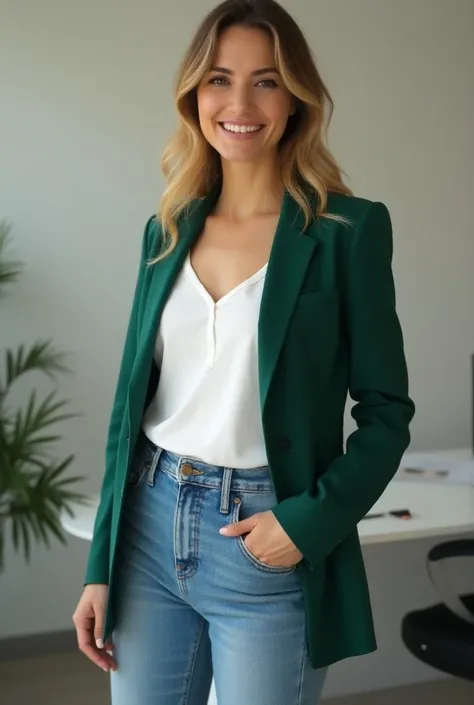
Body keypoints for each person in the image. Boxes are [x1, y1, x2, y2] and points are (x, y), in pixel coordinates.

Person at [72, 1, 415, 703]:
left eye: (265, 80)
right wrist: (100, 563)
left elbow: (387, 411)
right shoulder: (167, 228)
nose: (239, 102)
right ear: (194, 94)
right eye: (219, 79)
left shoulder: (348, 230)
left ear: (295, 98)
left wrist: (307, 522)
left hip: (264, 535)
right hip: (149, 523)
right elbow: (127, 411)